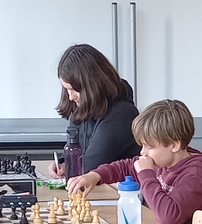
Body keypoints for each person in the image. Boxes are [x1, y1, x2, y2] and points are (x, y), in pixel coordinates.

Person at [67, 99, 202, 224]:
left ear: (174, 145)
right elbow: (126, 166)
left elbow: (169, 217)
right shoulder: (163, 162)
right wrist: (96, 175)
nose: (142, 152)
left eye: (149, 146)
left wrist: (146, 175)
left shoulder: (195, 175)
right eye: (142, 145)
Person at [48, 44, 140, 177]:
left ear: (92, 85)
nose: (71, 97)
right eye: (67, 89)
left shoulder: (122, 113)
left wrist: (69, 167)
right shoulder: (83, 107)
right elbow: (75, 148)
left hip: (114, 188)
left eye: (74, 89)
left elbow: (92, 165)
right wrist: (62, 163)